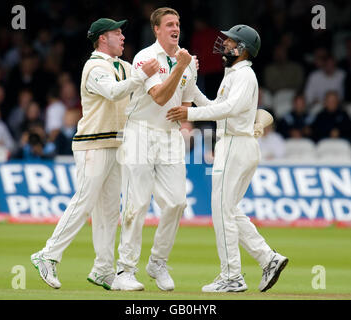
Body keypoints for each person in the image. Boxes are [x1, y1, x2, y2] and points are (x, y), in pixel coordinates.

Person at [30, 18, 159, 290]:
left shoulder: (123, 66)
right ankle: (48, 254)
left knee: (109, 212)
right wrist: (141, 75)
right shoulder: (94, 67)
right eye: (117, 33)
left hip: (115, 144)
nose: (123, 37)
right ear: (103, 38)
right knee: (85, 201)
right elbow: (112, 93)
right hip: (92, 144)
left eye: (123, 32)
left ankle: (103, 269)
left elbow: (141, 91)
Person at [167, 25, 288, 292]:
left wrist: (188, 115)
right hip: (235, 144)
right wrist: (193, 84)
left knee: (222, 212)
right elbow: (214, 106)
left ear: (242, 49)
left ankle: (232, 276)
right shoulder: (234, 74)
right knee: (228, 210)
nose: (224, 45)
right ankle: (268, 258)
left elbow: (229, 110)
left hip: (236, 144)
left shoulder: (244, 75)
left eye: (231, 42)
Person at [111, 7, 197, 292]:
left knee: (176, 203)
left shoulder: (187, 61)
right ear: (157, 29)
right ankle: (125, 270)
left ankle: (157, 262)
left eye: (178, 23)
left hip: (170, 137)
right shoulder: (144, 58)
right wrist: (181, 66)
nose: (176, 28)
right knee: (137, 203)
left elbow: (185, 104)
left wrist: (185, 117)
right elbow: (159, 97)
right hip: (140, 133)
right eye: (170, 24)